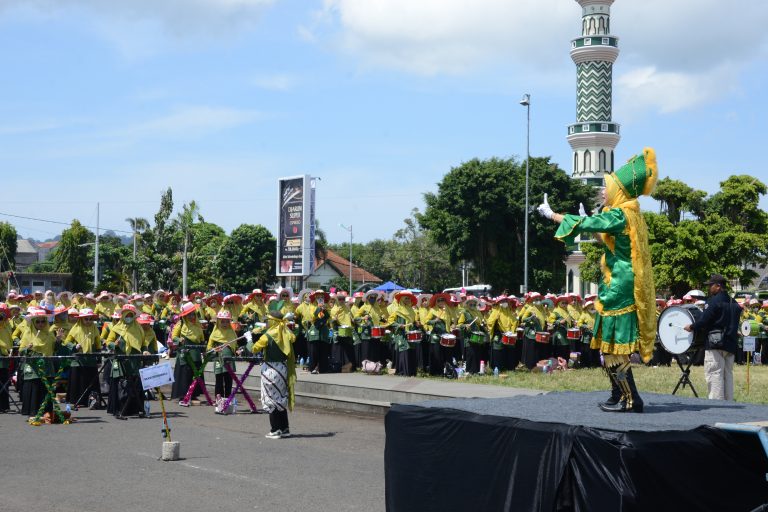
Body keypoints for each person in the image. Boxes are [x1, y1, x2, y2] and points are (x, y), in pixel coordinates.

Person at [539, 147, 658, 412]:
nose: (603, 192)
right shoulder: (628, 214)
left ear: (619, 191)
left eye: (607, 188)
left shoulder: (620, 214)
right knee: (607, 346)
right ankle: (618, 394)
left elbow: (587, 227)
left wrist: (553, 215)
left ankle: (631, 399)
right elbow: (608, 242)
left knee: (614, 348)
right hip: (616, 282)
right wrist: (590, 221)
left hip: (619, 286)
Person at [683, 274, 741, 400]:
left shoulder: (713, 301)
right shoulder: (735, 303)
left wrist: (691, 327)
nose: (709, 288)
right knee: (728, 375)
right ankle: (728, 402)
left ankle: (717, 405)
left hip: (715, 344)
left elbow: (704, 321)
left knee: (715, 374)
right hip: (730, 344)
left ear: (718, 286)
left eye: (711, 285)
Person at [247, 306, 296, 439]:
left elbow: (253, 349)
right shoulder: (285, 332)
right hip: (283, 368)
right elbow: (291, 337)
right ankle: (284, 428)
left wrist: (249, 340)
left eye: (268, 320)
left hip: (270, 369)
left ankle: (275, 429)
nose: (266, 323)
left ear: (273, 321)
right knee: (280, 398)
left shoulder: (267, 336)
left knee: (271, 399)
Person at [105, 305, 148, 419]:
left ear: (134, 316)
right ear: (122, 316)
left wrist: (144, 351)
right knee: (121, 384)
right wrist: (114, 344)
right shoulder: (116, 328)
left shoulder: (139, 328)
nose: (128, 317)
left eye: (131, 315)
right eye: (126, 315)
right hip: (120, 360)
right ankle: (119, 409)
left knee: (135, 383)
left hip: (135, 360)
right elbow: (108, 342)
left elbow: (143, 344)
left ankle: (135, 409)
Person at [65, 308, 103, 408]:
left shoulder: (94, 328)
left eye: (90, 319)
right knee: (79, 379)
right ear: (81, 319)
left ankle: (92, 399)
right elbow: (67, 342)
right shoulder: (75, 328)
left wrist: (98, 357)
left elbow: (98, 343)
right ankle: (76, 400)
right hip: (78, 359)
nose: (88, 321)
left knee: (91, 379)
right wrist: (74, 346)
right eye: (86, 319)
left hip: (90, 359)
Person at [171, 301, 207, 403]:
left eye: (193, 314)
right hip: (185, 352)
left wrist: (203, 350)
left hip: (195, 352)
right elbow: (173, 337)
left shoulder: (198, 324)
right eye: (189, 314)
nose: (191, 316)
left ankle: (194, 394)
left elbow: (201, 338)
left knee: (195, 372)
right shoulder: (180, 324)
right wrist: (179, 340)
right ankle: (183, 395)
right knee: (185, 373)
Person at [207, 310, 238, 399]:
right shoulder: (214, 333)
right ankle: (218, 399)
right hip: (218, 359)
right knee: (219, 379)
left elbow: (235, 346)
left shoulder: (232, 332)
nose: (225, 323)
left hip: (229, 360)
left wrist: (236, 350)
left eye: (227, 321)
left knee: (228, 379)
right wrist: (214, 349)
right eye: (222, 321)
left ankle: (228, 399)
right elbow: (208, 348)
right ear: (218, 322)